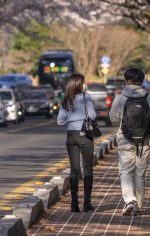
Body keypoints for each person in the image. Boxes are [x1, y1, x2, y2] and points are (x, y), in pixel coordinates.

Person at [109, 68, 150, 216]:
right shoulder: (149, 98)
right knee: (140, 174)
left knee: (126, 171)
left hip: (125, 139)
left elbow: (113, 118)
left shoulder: (120, 98)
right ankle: (137, 207)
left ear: (128, 82)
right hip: (143, 141)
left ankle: (130, 200)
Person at [57, 74, 97, 213]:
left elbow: (60, 121)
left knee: (74, 170)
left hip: (71, 135)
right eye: (83, 82)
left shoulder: (66, 99)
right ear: (79, 84)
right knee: (87, 170)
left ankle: (74, 204)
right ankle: (87, 203)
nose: (85, 84)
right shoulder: (85, 98)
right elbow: (92, 115)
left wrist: (71, 121)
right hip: (84, 135)